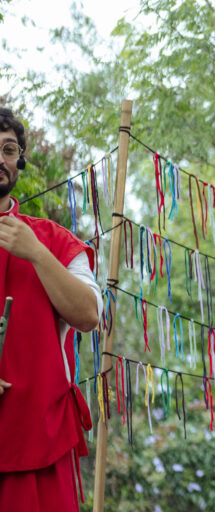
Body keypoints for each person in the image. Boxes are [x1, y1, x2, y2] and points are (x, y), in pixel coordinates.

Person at [0, 108, 102, 511]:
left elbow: (89, 315)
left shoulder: (54, 241)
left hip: (40, 439)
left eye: (9, 150)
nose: (0, 159)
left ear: (19, 160)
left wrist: (37, 254)